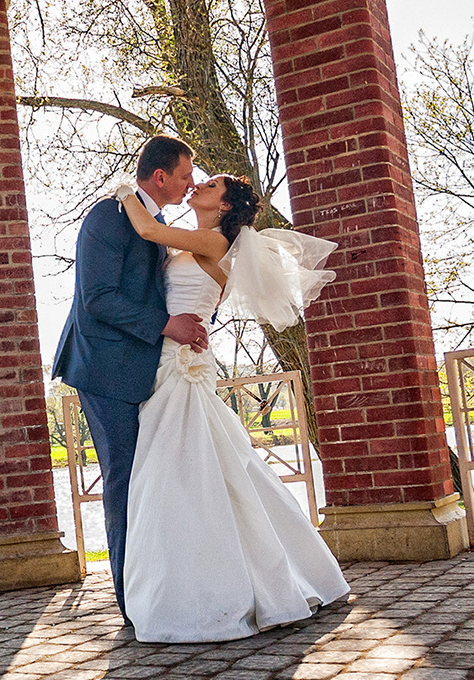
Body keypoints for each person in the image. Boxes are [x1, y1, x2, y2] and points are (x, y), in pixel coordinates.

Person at [110, 172, 351, 641]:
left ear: (224, 206)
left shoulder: (216, 241)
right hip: (174, 356)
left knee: (179, 468)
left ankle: (212, 590)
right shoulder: (205, 239)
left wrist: (123, 191)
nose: (199, 184)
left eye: (212, 184)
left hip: (182, 363)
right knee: (210, 465)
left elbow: (149, 230)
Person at [52, 136, 208, 623]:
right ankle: (131, 605)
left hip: (149, 369)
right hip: (103, 368)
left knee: (153, 480)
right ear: (159, 177)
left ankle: (160, 582)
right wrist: (167, 326)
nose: (191, 185)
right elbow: (96, 298)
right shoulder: (106, 217)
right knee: (123, 479)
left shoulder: (157, 224)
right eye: (185, 176)